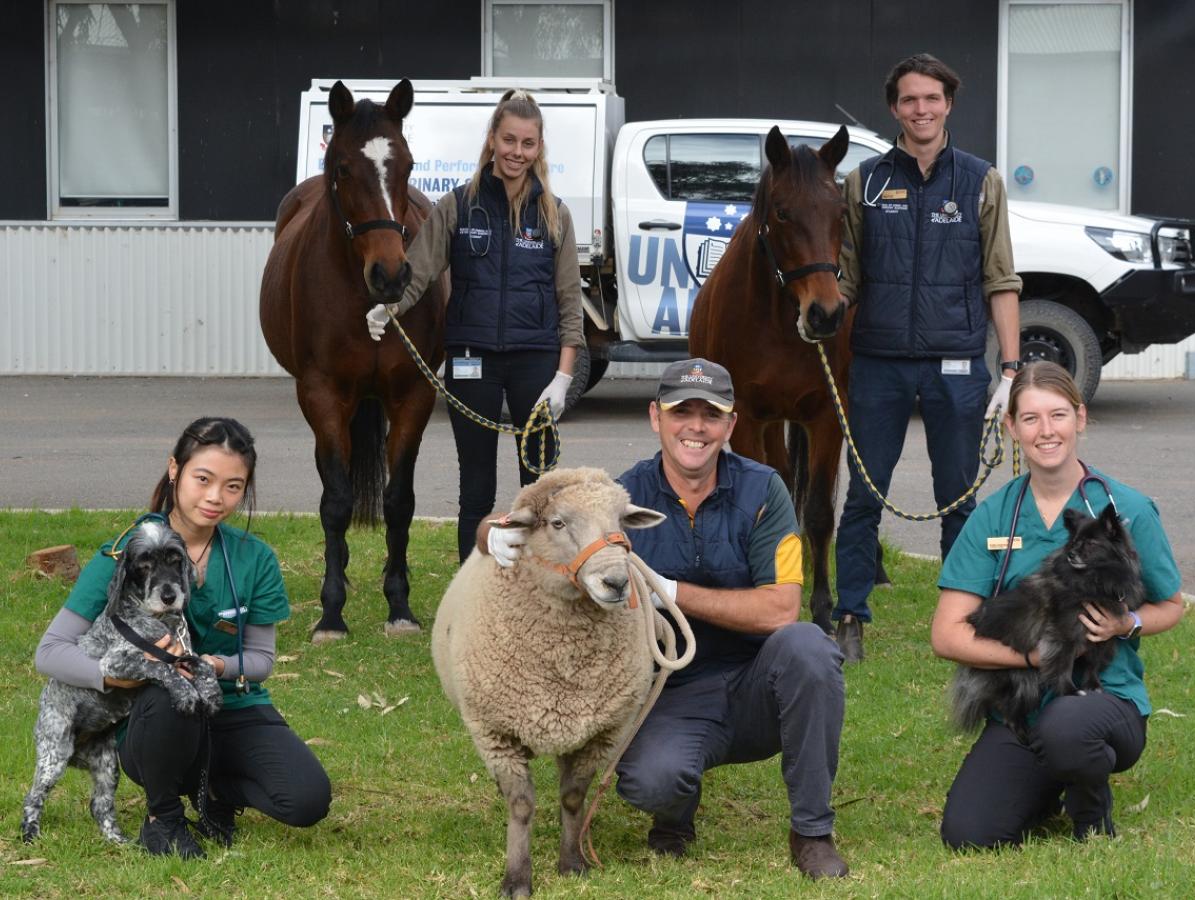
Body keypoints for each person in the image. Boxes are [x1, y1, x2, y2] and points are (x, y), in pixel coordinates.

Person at [481, 359, 850, 879]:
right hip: (669, 693)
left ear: (731, 425)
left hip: (757, 684)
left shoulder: (764, 491)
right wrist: (491, 534)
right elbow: (536, 522)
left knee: (808, 648)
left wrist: (670, 592)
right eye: (682, 412)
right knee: (652, 781)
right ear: (656, 417)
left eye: (710, 415)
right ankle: (675, 812)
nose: (695, 427)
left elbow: (782, 608)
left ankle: (812, 833)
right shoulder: (618, 499)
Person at [34, 417, 331, 859]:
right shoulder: (124, 553)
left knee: (306, 800)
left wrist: (215, 666)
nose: (215, 498)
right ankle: (164, 818)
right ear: (175, 470)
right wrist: (114, 677)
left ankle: (212, 791)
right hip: (153, 718)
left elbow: (261, 659)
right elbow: (50, 652)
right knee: (169, 690)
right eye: (203, 479)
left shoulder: (255, 558)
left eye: (233, 486)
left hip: (232, 704)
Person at [932, 362, 1183, 847]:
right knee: (969, 833)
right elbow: (947, 635)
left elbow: (1172, 606)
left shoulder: (1125, 508)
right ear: (1011, 428)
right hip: (1022, 705)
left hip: (1103, 701)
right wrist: (1035, 656)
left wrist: (1124, 623)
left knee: (1067, 727)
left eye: (1059, 415)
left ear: (1080, 418)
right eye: (1030, 419)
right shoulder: (993, 515)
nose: (1046, 431)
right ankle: (1046, 787)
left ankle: (1091, 813)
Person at [833, 53, 1024, 662]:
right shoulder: (863, 181)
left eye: (932, 99)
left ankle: (964, 616)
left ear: (948, 104)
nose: (921, 109)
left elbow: (1001, 280)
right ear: (895, 108)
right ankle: (850, 615)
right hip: (879, 363)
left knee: (959, 498)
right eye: (910, 100)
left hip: (958, 365)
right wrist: (817, 313)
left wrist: (1012, 371)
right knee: (864, 494)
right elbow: (846, 279)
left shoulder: (980, 180)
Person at [366, 88, 585, 562]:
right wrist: (389, 308)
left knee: (543, 492)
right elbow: (419, 272)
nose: (517, 152)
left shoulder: (555, 215)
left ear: (539, 148)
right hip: (472, 364)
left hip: (536, 364)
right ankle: (474, 587)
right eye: (509, 140)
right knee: (476, 491)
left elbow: (571, 303)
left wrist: (563, 378)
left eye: (528, 144)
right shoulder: (458, 207)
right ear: (492, 139)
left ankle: (539, 584)